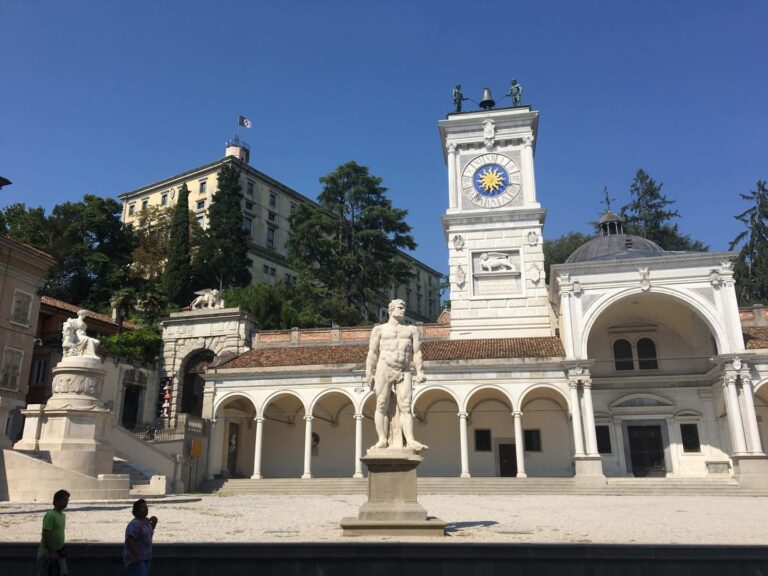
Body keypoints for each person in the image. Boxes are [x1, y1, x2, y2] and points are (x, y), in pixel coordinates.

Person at [366, 299, 428, 451]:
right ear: (391, 310)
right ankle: (382, 439)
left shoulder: (411, 330)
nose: (403, 310)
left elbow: (417, 352)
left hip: (404, 369)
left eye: (404, 308)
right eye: (400, 308)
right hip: (384, 368)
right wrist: (369, 373)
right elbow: (373, 353)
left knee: (406, 406)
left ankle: (411, 439)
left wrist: (420, 371)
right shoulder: (379, 330)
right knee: (381, 404)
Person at [36, 489, 69, 576]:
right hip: (47, 553)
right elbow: (46, 534)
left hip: (59, 553)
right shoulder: (50, 515)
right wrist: (51, 552)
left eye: (67, 500)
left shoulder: (62, 515)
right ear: (56, 501)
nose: (66, 502)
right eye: (64, 500)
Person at [123, 499, 158, 576]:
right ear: (137, 511)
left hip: (146, 557)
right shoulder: (134, 524)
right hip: (137, 559)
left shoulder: (146, 521)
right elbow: (130, 540)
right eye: (143, 507)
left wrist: (154, 524)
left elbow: (147, 534)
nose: (146, 509)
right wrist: (136, 555)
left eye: (146, 507)